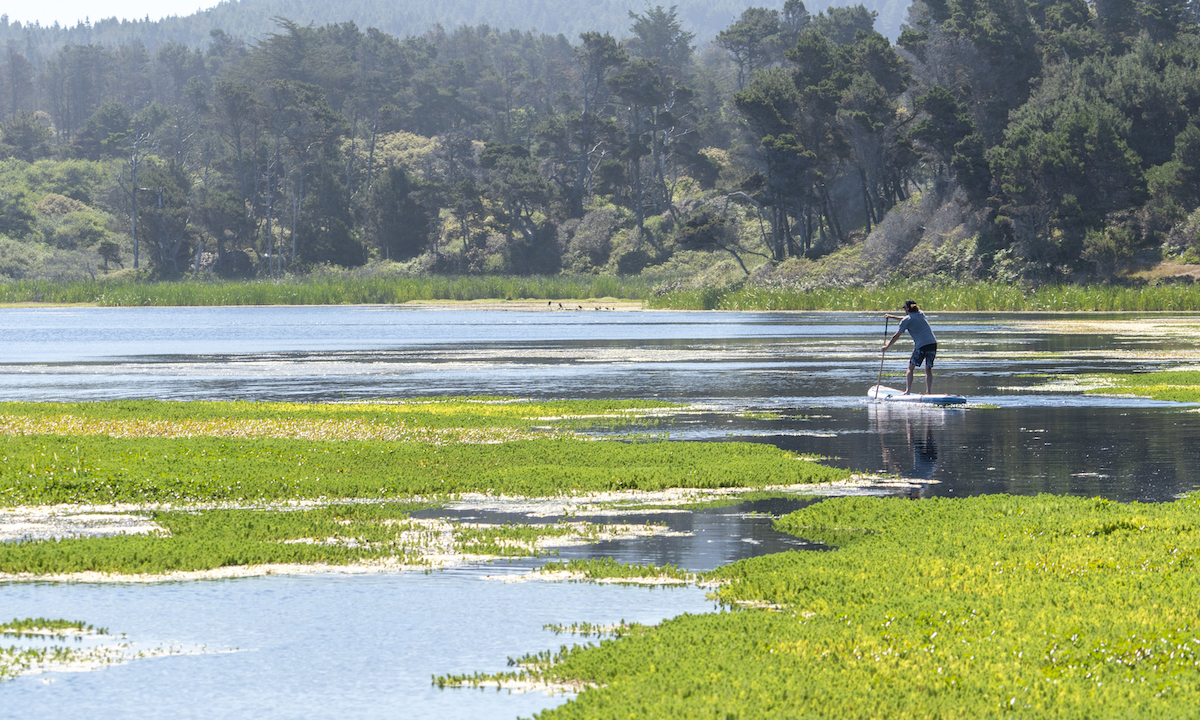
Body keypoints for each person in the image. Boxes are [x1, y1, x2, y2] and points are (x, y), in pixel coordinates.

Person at [882, 299, 938, 395]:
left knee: (910, 368)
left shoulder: (907, 320)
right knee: (928, 368)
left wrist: (887, 347)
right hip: (932, 344)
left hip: (921, 346)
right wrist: (891, 317)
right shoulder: (921, 313)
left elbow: (896, 335)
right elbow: (906, 318)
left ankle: (907, 391)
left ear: (907, 308)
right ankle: (928, 392)